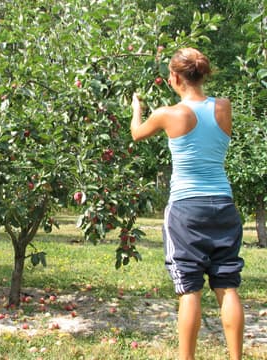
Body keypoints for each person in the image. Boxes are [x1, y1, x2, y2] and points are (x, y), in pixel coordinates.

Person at [130, 48, 244, 360]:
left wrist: (136, 108)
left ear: (176, 78)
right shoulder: (223, 107)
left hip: (186, 208)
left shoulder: (168, 114)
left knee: (190, 289)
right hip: (223, 203)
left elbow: (137, 134)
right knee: (227, 285)